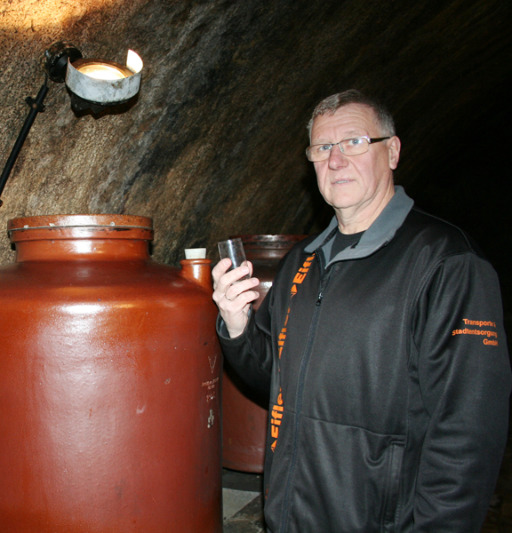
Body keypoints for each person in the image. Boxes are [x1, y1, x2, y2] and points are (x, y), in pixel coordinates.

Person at [212, 89, 511, 532]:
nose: (335, 160)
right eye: (322, 148)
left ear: (391, 152)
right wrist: (239, 329)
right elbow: (276, 380)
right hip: (292, 517)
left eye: (353, 142)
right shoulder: (304, 261)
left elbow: (466, 435)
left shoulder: (446, 264)